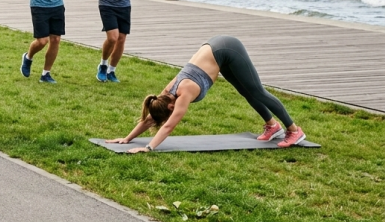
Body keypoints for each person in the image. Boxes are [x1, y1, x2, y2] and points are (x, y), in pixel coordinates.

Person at [106, 36, 307, 152]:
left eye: (169, 112)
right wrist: (127, 138)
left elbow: (169, 125)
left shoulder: (183, 92)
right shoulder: (165, 95)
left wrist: (148, 148)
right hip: (216, 53)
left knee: (257, 92)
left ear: (170, 107)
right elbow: (151, 118)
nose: (170, 113)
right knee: (246, 92)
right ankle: (272, 126)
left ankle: (294, 130)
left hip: (228, 48)